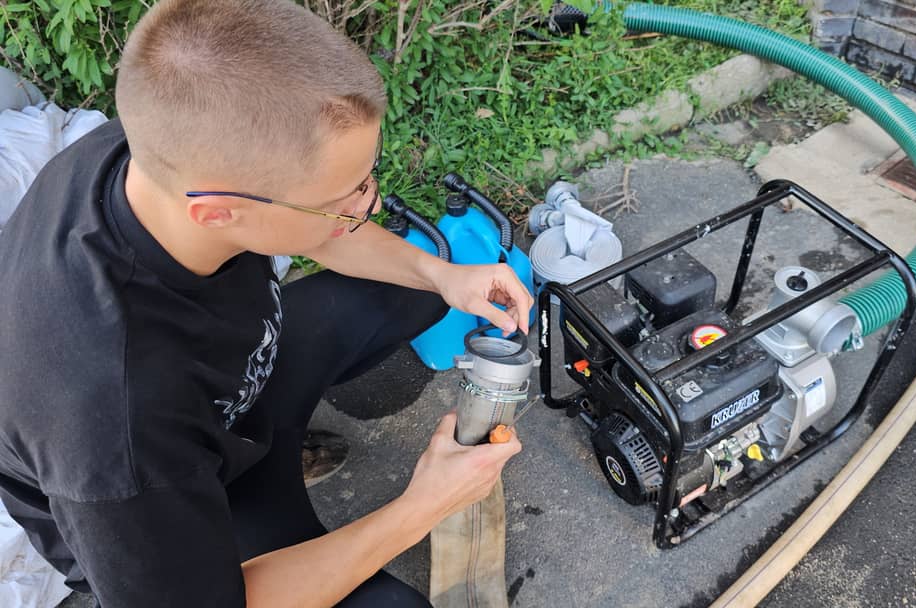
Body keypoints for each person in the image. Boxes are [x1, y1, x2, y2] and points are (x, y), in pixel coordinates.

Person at [0, 0, 531, 606]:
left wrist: (443, 275)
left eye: (367, 176)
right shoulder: (112, 429)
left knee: (416, 291)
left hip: (229, 396)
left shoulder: (172, 140)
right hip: (171, 508)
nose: (372, 204)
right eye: (343, 199)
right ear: (218, 213)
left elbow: (337, 234)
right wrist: (425, 505)